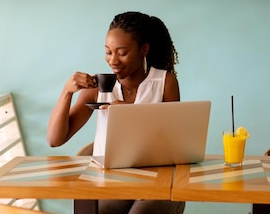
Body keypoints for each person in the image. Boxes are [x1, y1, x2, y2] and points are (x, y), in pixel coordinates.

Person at [47, 11, 184, 214]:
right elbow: (55, 139)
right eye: (108, 52)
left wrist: (132, 116)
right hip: (110, 181)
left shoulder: (165, 83)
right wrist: (66, 91)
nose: (113, 60)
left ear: (143, 49)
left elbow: (175, 145)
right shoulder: (97, 89)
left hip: (158, 180)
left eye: (122, 52)